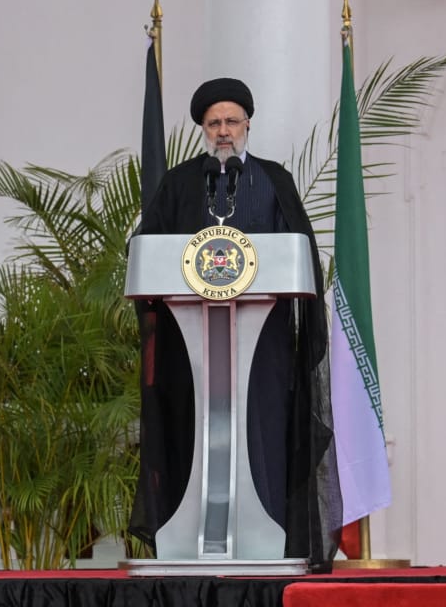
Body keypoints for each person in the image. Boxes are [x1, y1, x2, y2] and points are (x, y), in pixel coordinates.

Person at [128, 76, 341, 570]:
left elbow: (300, 252)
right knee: (192, 432)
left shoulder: (274, 179)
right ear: (203, 128)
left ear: (248, 123)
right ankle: (186, 542)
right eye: (214, 122)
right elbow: (145, 249)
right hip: (192, 348)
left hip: (261, 346)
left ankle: (264, 541)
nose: (223, 131)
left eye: (231, 121)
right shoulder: (179, 184)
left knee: (261, 431)